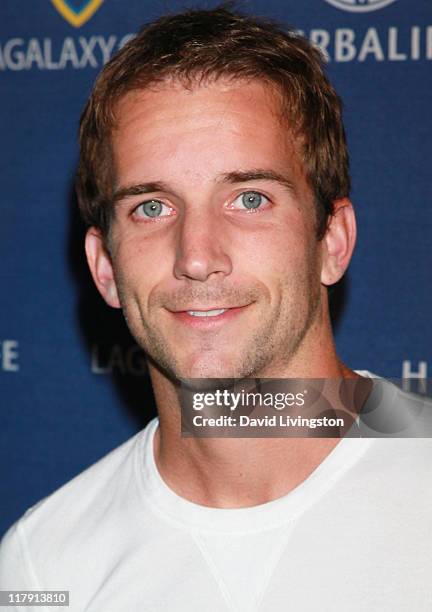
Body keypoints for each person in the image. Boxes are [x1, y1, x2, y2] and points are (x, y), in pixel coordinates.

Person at [0, 5, 431, 611]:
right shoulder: (44, 566)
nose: (197, 257)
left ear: (332, 241)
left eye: (249, 198)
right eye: (151, 207)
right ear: (105, 267)